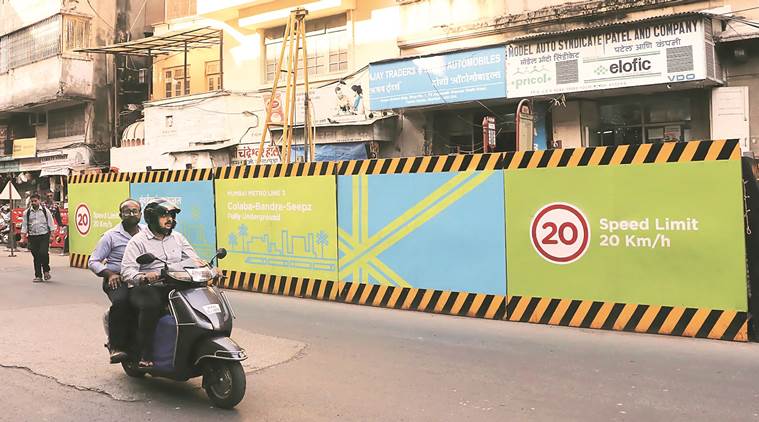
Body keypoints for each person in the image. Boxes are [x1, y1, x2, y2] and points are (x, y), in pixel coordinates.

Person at [121, 198, 202, 368]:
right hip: (147, 287)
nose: (169, 219)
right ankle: (145, 354)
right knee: (152, 305)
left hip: (174, 283)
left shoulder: (178, 238)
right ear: (151, 218)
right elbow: (127, 271)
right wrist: (144, 277)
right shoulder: (138, 241)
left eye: (171, 215)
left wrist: (209, 268)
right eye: (164, 215)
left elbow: (193, 259)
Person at [88, 199, 143, 363]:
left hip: (142, 278)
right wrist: (110, 274)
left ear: (140, 214)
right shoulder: (110, 236)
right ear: (120, 215)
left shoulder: (147, 234)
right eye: (127, 211)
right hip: (118, 279)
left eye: (135, 211)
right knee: (121, 302)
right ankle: (116, 345)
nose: (131, 214)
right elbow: (93, 261)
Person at [21, 192, 56, 282]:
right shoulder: (27, 212)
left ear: (39, 201)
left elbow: (51, 223)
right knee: (36, 256)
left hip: (44, 235)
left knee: (43, 253)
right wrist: (22, 238)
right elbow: (24, 226)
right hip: (32, 236)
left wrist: (52, 236)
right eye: (32, 201)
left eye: (35, 201)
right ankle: (38, 276)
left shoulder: (45, 211)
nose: (33, 203)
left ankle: (46, 270)